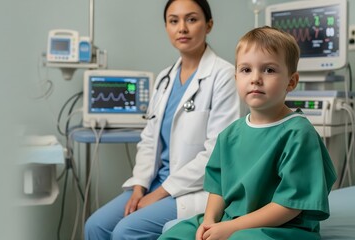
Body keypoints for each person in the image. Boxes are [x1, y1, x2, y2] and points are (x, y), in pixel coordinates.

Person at [159, 26, 337, 240]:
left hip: (282, 228)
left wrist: (232, 229)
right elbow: (218, 188)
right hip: (232, 218)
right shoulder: (230, 135)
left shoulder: (298, 134)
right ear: (236, 78)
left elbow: (290, 206)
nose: (255, 78)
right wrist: (209, 222)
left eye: (269, 70)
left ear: (291, 82)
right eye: (246, 70)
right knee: (177, 234)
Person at [84, 0, 240, 239]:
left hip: (192, 189)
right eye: (173, 21)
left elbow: (216, 153)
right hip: (155, 182)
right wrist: (139, 187)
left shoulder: (224, 76)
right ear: (166, 27)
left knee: (126, 231)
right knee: (96, 226)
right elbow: (148, 140)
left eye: (191, 19)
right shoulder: (165, 78)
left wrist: (158, 194)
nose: (182, 28)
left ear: (208, 25)